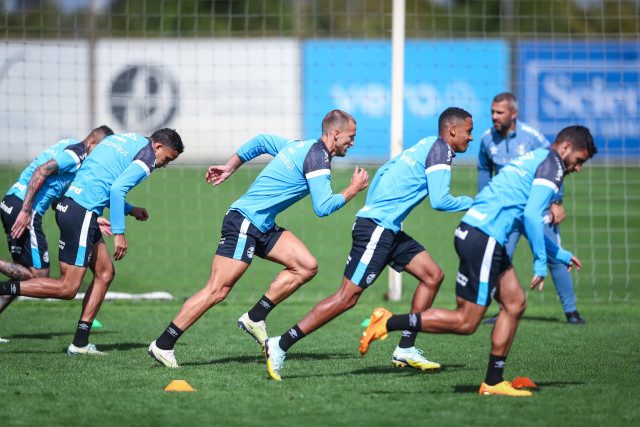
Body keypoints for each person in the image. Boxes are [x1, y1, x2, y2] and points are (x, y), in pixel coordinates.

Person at [359, 125, 597, 397]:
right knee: (466, 322)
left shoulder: (538, 158)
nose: (578, 168)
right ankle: (389, 322)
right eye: (579, 161)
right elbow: (533, 216)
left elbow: (523, 216)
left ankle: (493, 381)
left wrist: (559, 254)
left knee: (515, 302)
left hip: (478, 233)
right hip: (484, 237)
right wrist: (541, 263)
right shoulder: (552, 165)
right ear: (565, 147)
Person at [263, 107, 475, 381]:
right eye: (468, 131)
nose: (471, 138)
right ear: (453, 130)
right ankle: (280, 344)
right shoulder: (441, 151)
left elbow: (387, 169)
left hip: (387, 228)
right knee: (346, 298)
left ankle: (406, 348)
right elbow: (440, 200)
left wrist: (374, 205)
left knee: (432, 276)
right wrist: (477, 203)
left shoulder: (427, 144)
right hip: (377, 230)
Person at [147, 109, 368, 368]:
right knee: (217, 290)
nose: (352, 143)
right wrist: (353, 189)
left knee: (306, 266)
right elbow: (323, 207)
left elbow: (261, 140)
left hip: (261, 226)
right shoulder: (317, 158)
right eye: (350, 138)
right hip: (244, 223)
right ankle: (163, 344)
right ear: (336, 133)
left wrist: (230, 167)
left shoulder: (301, 146)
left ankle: (255, 317)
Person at [0, 129, 184, 354]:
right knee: (67, 288)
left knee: (105, 273)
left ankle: (80, 343)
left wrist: (128, 210)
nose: (164, 164)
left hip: (75, 208)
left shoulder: (126, 139)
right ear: (158, 147)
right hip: (82, 213)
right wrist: (119, 233)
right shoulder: (147, 157)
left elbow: (100, 177)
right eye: (167, 158)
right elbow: (117, 189)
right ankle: (3, 287)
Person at [0, 126, 114, 341]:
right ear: (93, 143)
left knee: (23, 275)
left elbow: (57, 197)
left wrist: (92, 218)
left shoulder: (70, 148)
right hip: (25, 210)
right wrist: (26, 211)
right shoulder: (76, 154)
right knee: (38, 276)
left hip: (13, 203)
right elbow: (41, 171)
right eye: (101, 151)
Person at [479, 92, 584, 324]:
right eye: (492, 112)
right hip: (509, 210)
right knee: (501, 256)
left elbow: (556, 165)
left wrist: (557, 201)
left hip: (539, 206)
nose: (494, 116)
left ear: (513, 113)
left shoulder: (533, 138)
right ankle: (504, 308)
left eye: (500, 112)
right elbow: (483, 168)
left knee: (555, 255)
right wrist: (485, 197)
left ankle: (571, 311)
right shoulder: (487, 139)